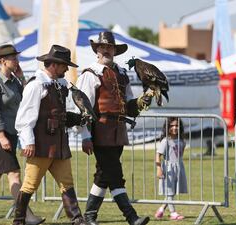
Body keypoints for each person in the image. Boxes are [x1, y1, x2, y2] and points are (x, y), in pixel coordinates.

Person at [76, 31, 152, 225]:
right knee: (115, 174)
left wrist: (143, 99)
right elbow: (82, 107)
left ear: (114, 50)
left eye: (110, 47)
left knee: (104, 175)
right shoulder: (90, 74)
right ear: (97, 50)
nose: (107, 50)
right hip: (99, 130)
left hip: (118, 131)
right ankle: (131, 217)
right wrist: (85, 136)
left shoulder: (121, 73)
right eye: (103, 47)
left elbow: (128, 105)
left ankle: (89, 217)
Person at [13, 45, 87, 225]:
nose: (67, 69)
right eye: (64, 65)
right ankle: (18, 221)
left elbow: (58, 114)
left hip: (59, 143)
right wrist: (28, 142)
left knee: (67, 182)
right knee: (30, 184)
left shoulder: (59, 85)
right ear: (54, 65)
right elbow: (24, 118)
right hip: (41, 144)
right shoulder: (36, 85)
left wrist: (78, 118)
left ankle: (77, 219)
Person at [0, 44, 44, 225]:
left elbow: (28, 97)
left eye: (16, 57)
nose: (17, 61)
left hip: (11, 133)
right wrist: (2, 137)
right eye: (13, 58)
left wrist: (21, 78)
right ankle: (26, 215)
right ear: (3, 61)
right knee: (14, 173)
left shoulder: (14, 81)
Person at [154, 117, 187, 221]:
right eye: (172, 126)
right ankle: (173, 213)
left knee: (171, 193)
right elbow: (158, 155)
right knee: (169, 192)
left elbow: (180, 154)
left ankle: (161, 210)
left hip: (178, 168)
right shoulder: (165, 141)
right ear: (167, 127)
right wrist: (159, 168)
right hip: (168, 169)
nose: (175, 128)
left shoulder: (182, 141)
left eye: (177, 125)